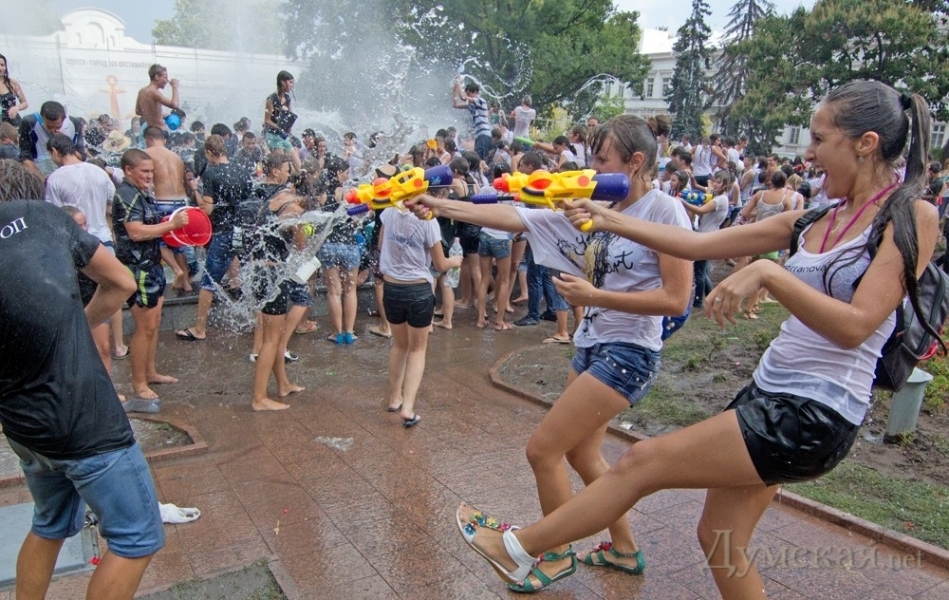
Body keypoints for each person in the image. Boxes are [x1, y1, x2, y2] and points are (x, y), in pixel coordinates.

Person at [454, 80, 940, 600]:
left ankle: (521, 549)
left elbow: (857, 325)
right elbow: (697, 242)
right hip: (769, 393)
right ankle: (543, 550)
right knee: (719, 538)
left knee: (643, 463)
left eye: (820, 139)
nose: (811, 153)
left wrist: (771, 276)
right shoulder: (817, 216)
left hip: (816, 411)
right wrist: (609, 217)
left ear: (865, 143)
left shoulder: (911, 215)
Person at [413, 114, 692, 591]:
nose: (591, 168)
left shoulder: (664, 211)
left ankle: (556, 552)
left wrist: (596, 297)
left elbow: (676, 299)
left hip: (629, 354)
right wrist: (438, 205)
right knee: (583, 456)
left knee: (543, 450)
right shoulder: (590, 204)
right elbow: (513, 215)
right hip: (591, 346)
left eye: (601, 159)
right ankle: (624, 550)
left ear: (636, 161)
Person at [0, 162, 165, 600]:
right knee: (136, 539)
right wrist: (76, 325)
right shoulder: (43, 216)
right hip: (83, 423)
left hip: (23, 428)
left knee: (49, 524)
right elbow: (121, 281)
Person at [113, 148, 189, 412]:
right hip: (138, 270)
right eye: (144, 171)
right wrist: (171, 225)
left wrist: (175, 268)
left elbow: (155, 238)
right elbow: (135, 233)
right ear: (128, 170)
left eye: (151, 171)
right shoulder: (125, 195)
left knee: (154, 324)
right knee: (144, 327)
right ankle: (138, 383)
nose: (149, 176)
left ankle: (151, 371)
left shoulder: (141, 194)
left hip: (151, 267)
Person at [381, 187, 463, 426]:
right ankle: (408, 407)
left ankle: (394, 398)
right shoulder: (428, 221)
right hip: (418, 290)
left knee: (399, 345)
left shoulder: (389, 211)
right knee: (417, 350)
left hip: (392, 287)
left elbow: (380, 244)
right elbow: (439, 263)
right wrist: (455, 261)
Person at [44, 133, 129, 360]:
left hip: (76, 242)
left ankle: (88, 344)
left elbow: (54, 215)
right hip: (103, 237)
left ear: (54, 151)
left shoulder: (55, 178)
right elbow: (113, 199)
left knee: (82, 295)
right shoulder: (97, 171)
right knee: (112, 290)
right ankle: (119, 345)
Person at [681, 169, 731, 308]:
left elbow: (701, 210)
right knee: (703, 271)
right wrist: (692, 178)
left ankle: (699, 301)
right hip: (707, 234)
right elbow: (699, 190)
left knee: (699, 272)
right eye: (714, 181)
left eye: (718, 182)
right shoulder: (716, 196)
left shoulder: (720, 200)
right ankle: (711, 296)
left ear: (725, 185)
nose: (715, 184)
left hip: (707, 237)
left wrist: (682, 202)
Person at [18, 100, 86, 176]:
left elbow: (82, 157)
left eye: (58, 127)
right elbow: (24, 156)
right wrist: (40, 179)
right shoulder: (29, 122)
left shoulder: (74, 124)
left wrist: (66, 142)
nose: (53, 130)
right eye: (49, 126)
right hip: (38, 169)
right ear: (42, 118)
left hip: (67, 172)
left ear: (64, 119)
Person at [263, 71, 301, 172]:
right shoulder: (271, 99)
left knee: (298, 165)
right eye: (290, 82)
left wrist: (290, 125)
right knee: (280, 165)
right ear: (282, 82)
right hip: (273, 135)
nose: (292, 86)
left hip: (283, 135)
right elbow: (267, 120)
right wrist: (279, 127)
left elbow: (290, 114)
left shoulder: (288, 98)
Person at [451, 78, 492, 160]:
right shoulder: (472, 105)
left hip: (484, 134)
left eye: (469, 93)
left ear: (475, 92)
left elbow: (463, 97)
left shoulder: (480, 101)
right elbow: (455, 105)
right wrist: (454, 90)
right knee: (477, 159)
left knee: (479, 160)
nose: (468, 96)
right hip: (478, 135)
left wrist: (459, 83)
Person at [135, 64, 180, 131]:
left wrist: (155, 114)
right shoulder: (154, 92)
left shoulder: (142, 91)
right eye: (165, 77)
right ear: (157, 77)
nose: (167, 81)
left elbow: (138, 111)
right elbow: (175, 105)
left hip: (149, 129)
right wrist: (174, 86)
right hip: (159, 130)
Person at [0, 52, 28, 126]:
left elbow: (24, 103)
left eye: (2, 65)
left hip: (13, 124)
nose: (0, 68)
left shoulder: (13, 83)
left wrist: (17, 108)